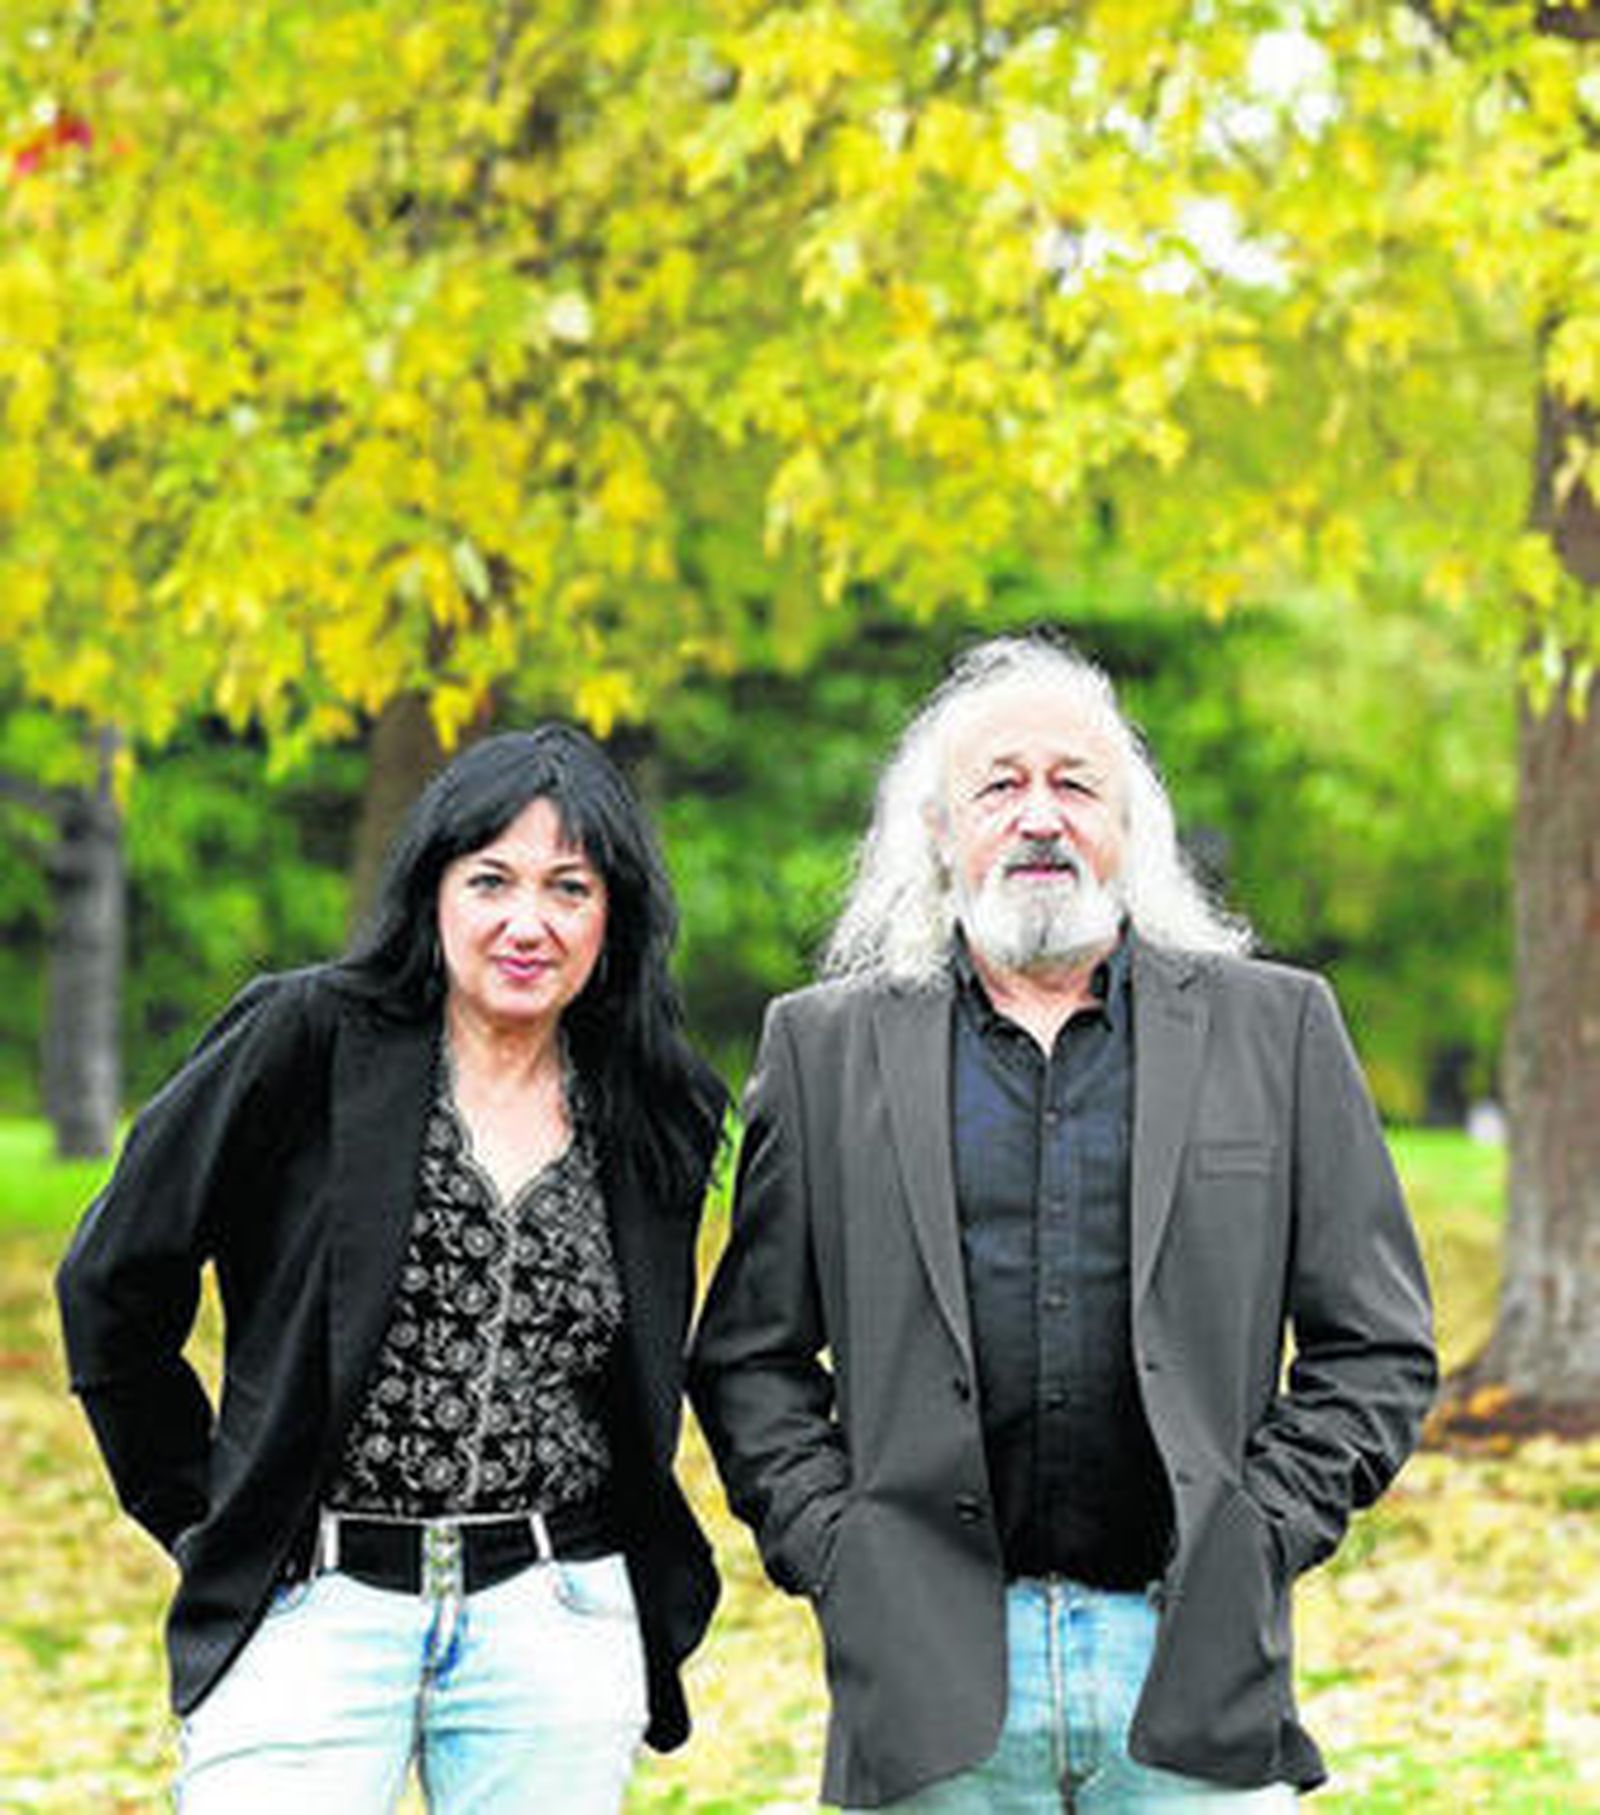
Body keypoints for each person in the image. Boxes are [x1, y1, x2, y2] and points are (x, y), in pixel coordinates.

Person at [690, 636, 1437, 1812]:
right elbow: (748, 1359)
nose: (1039, 817)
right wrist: (841, 1554)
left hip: (1194, 1671)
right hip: (926, 1682)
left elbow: (1377, 1346)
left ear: (1129, 823)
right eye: (998, 786)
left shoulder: (1277, 1030)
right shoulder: (822, 1050)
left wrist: (1256, 1537)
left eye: (1074, 783)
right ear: (939, 831)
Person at [57, 725, 726, 1814]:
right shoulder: (303, 1036)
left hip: (553, 1617)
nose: (527, 922)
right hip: (313, 1606)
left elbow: (644, 1381)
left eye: (569, 887)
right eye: (491, 881)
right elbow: (112, 1285)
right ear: (431, 891)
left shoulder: (656, 1107)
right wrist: (203, 1510)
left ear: (615, 915)